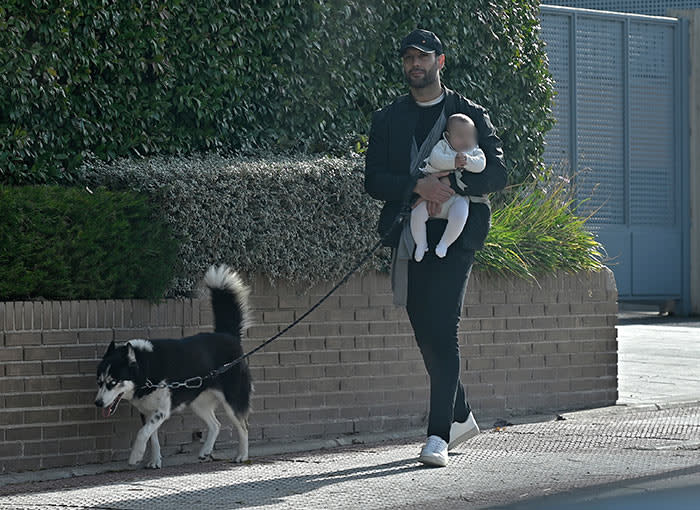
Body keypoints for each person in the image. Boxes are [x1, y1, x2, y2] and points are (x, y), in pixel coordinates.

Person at [364, 29, 507, 467]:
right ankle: (460, 413)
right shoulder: (387, 119)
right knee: (424, 329)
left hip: (458, 238)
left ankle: (438, 436)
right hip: (410, 234)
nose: (414, 64)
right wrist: (416, 185)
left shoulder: (469, 113)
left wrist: (450, 182)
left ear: (440, 62)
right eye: (408, 58)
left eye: (422, 57)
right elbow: (373, 181)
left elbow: (497, 174)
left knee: (443, 328)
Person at [411, 113, 486, 262]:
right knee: (417, 214)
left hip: (456, 198)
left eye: (470, 136)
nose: (466, 141)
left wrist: (467, 161)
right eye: (460, 136)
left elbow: (481, 165)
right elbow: (436, 160)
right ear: (448, 135)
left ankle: (445, 243)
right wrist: (453, 162)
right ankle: (421, 243)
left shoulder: (474, 151)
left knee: (460, 214)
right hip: (428, 197)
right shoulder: (442, 146)